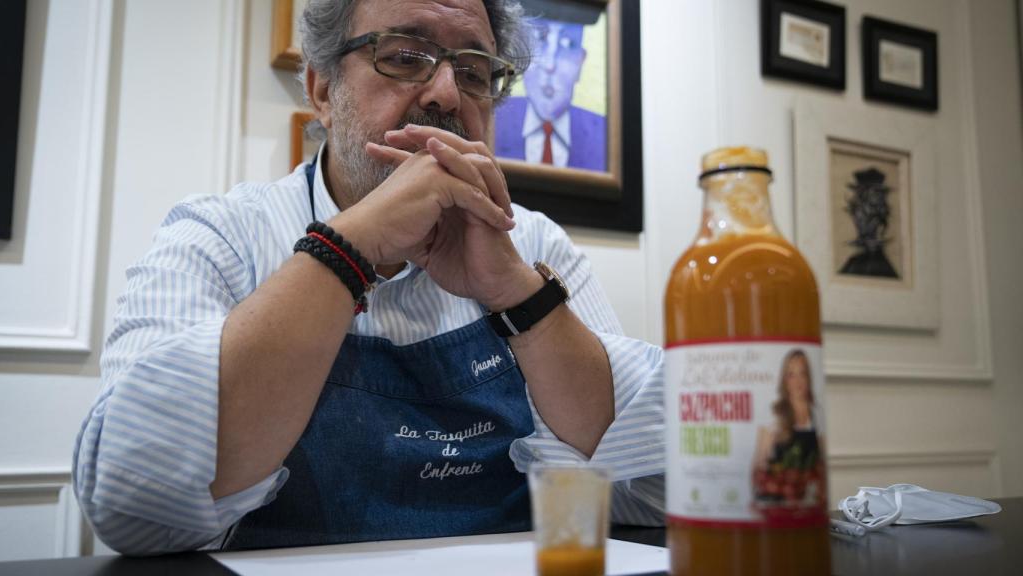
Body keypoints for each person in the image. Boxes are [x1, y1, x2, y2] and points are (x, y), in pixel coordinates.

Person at [72, 0, 664, 555]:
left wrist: (516, 295)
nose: (446, 93)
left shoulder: (532, 247)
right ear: (322, 90)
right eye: (405, 56)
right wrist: (347, 250)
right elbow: (134, 505)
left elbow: (653, 487)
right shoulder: (225, 236)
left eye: (474, 71)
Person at [494, 11, 607, 171]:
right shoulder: (493, 120)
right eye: (540, 39)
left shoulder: (604, 136)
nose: (550, 65)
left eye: (568, 44)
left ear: (581, 62)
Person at [753, 350, 825, 507]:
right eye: (791, 375)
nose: (798, 381)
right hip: (777, 502)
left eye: (802, 373)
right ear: (784, 380)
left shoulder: (816, 413)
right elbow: (758, 467)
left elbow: (821, 464)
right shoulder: (773, 413)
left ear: (809, 377)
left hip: (807, 502)